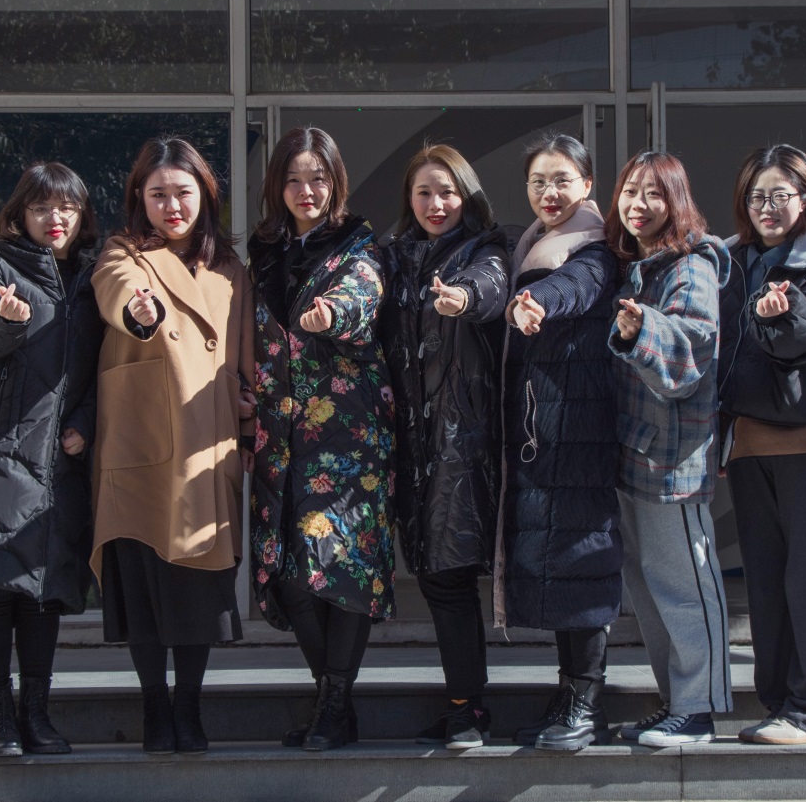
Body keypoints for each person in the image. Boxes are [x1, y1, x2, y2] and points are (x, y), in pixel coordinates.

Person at [0, 162, 105, 757]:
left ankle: (36, 714)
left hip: (59, 461)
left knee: (42, 593)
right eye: (41, 208)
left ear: (82, 217)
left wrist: (86, 424)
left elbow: (105, 373)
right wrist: (7, 322)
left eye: (67, 209)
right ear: (19, 214)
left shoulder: (92, 280)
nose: (55, 219)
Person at [90, 137, 255, 755]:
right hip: (142, 448)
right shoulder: (123, 253)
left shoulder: (231, 269)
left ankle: (188, 705)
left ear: (205, 196)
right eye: (157, 194)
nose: (172, 206)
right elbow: (122, 294)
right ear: (140, 198)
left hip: (206, 447)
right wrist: (141, 312)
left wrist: (249, 420)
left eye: (183, 193)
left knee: (196, 591)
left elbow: (247, 358)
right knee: (144, 587)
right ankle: (154, 706)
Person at [248, 126, 395, 752]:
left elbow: (362, 297)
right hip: (278, 435)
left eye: (317, 179)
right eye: (293, 180)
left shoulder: (359, 248)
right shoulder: (264, 253)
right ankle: (331, 699)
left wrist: (333, 314)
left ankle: (334, 704)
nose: (305, 191)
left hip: (347, 436)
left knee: (341, 566)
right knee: (286, 572)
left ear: (336, 182)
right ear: (276, 187)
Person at [717, 145, 806, 745]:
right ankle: (777, 704)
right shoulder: (727, 264)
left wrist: (783, 312)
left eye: (780, 195)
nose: (767, 207)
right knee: (765, 585)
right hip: (748, 446)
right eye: (756, 196)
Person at [492, 133, 621, 752]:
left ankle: (585, 702)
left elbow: (576, 286)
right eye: (539, 181)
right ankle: (569, 692)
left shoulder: (595, 245)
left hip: (581, 428)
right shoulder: (531, 243)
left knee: (583, 560)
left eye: (563, 180)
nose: (550, 192)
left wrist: (534, 300)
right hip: (548, 429)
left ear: (588, 185)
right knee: (561, 566)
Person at [378, 144, 507, 750]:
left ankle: (468, 709)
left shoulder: (485, 251)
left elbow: (490, 288)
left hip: (460, 441)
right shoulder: (392, 256)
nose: (436, 204)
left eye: (447, 192)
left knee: (448, 575)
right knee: (432, 573)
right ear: (409, 197)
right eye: (424, 192)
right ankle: (464, 701)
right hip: (407, 440)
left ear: (467, 195)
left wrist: (463, 299)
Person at [606, 150, 733, 748]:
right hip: (637, 452)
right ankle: (676, 701)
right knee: (651, 585)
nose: (638, 204)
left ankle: (699, 708)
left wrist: (642, 331)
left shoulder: (691, 267)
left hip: (673, 459)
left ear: (676, 201)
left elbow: (690, 350)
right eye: (631, 191)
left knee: (685, 583)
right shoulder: (640, 264)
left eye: (653, 193)